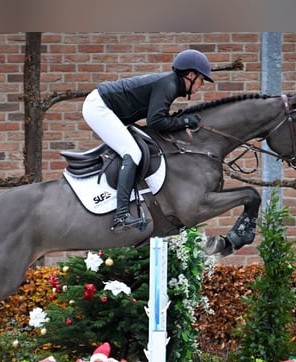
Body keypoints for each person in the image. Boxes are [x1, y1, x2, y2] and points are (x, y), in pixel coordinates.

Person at [82, 49, 214, 232]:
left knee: (135, 148)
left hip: (107, 108)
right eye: (201, 80)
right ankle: (121, 216)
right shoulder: (169, 85)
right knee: (133, 152)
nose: (201, 85)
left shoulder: (171, 84)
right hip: (99, 107)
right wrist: (185, 121)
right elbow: (156, 121)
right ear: (190, 75)